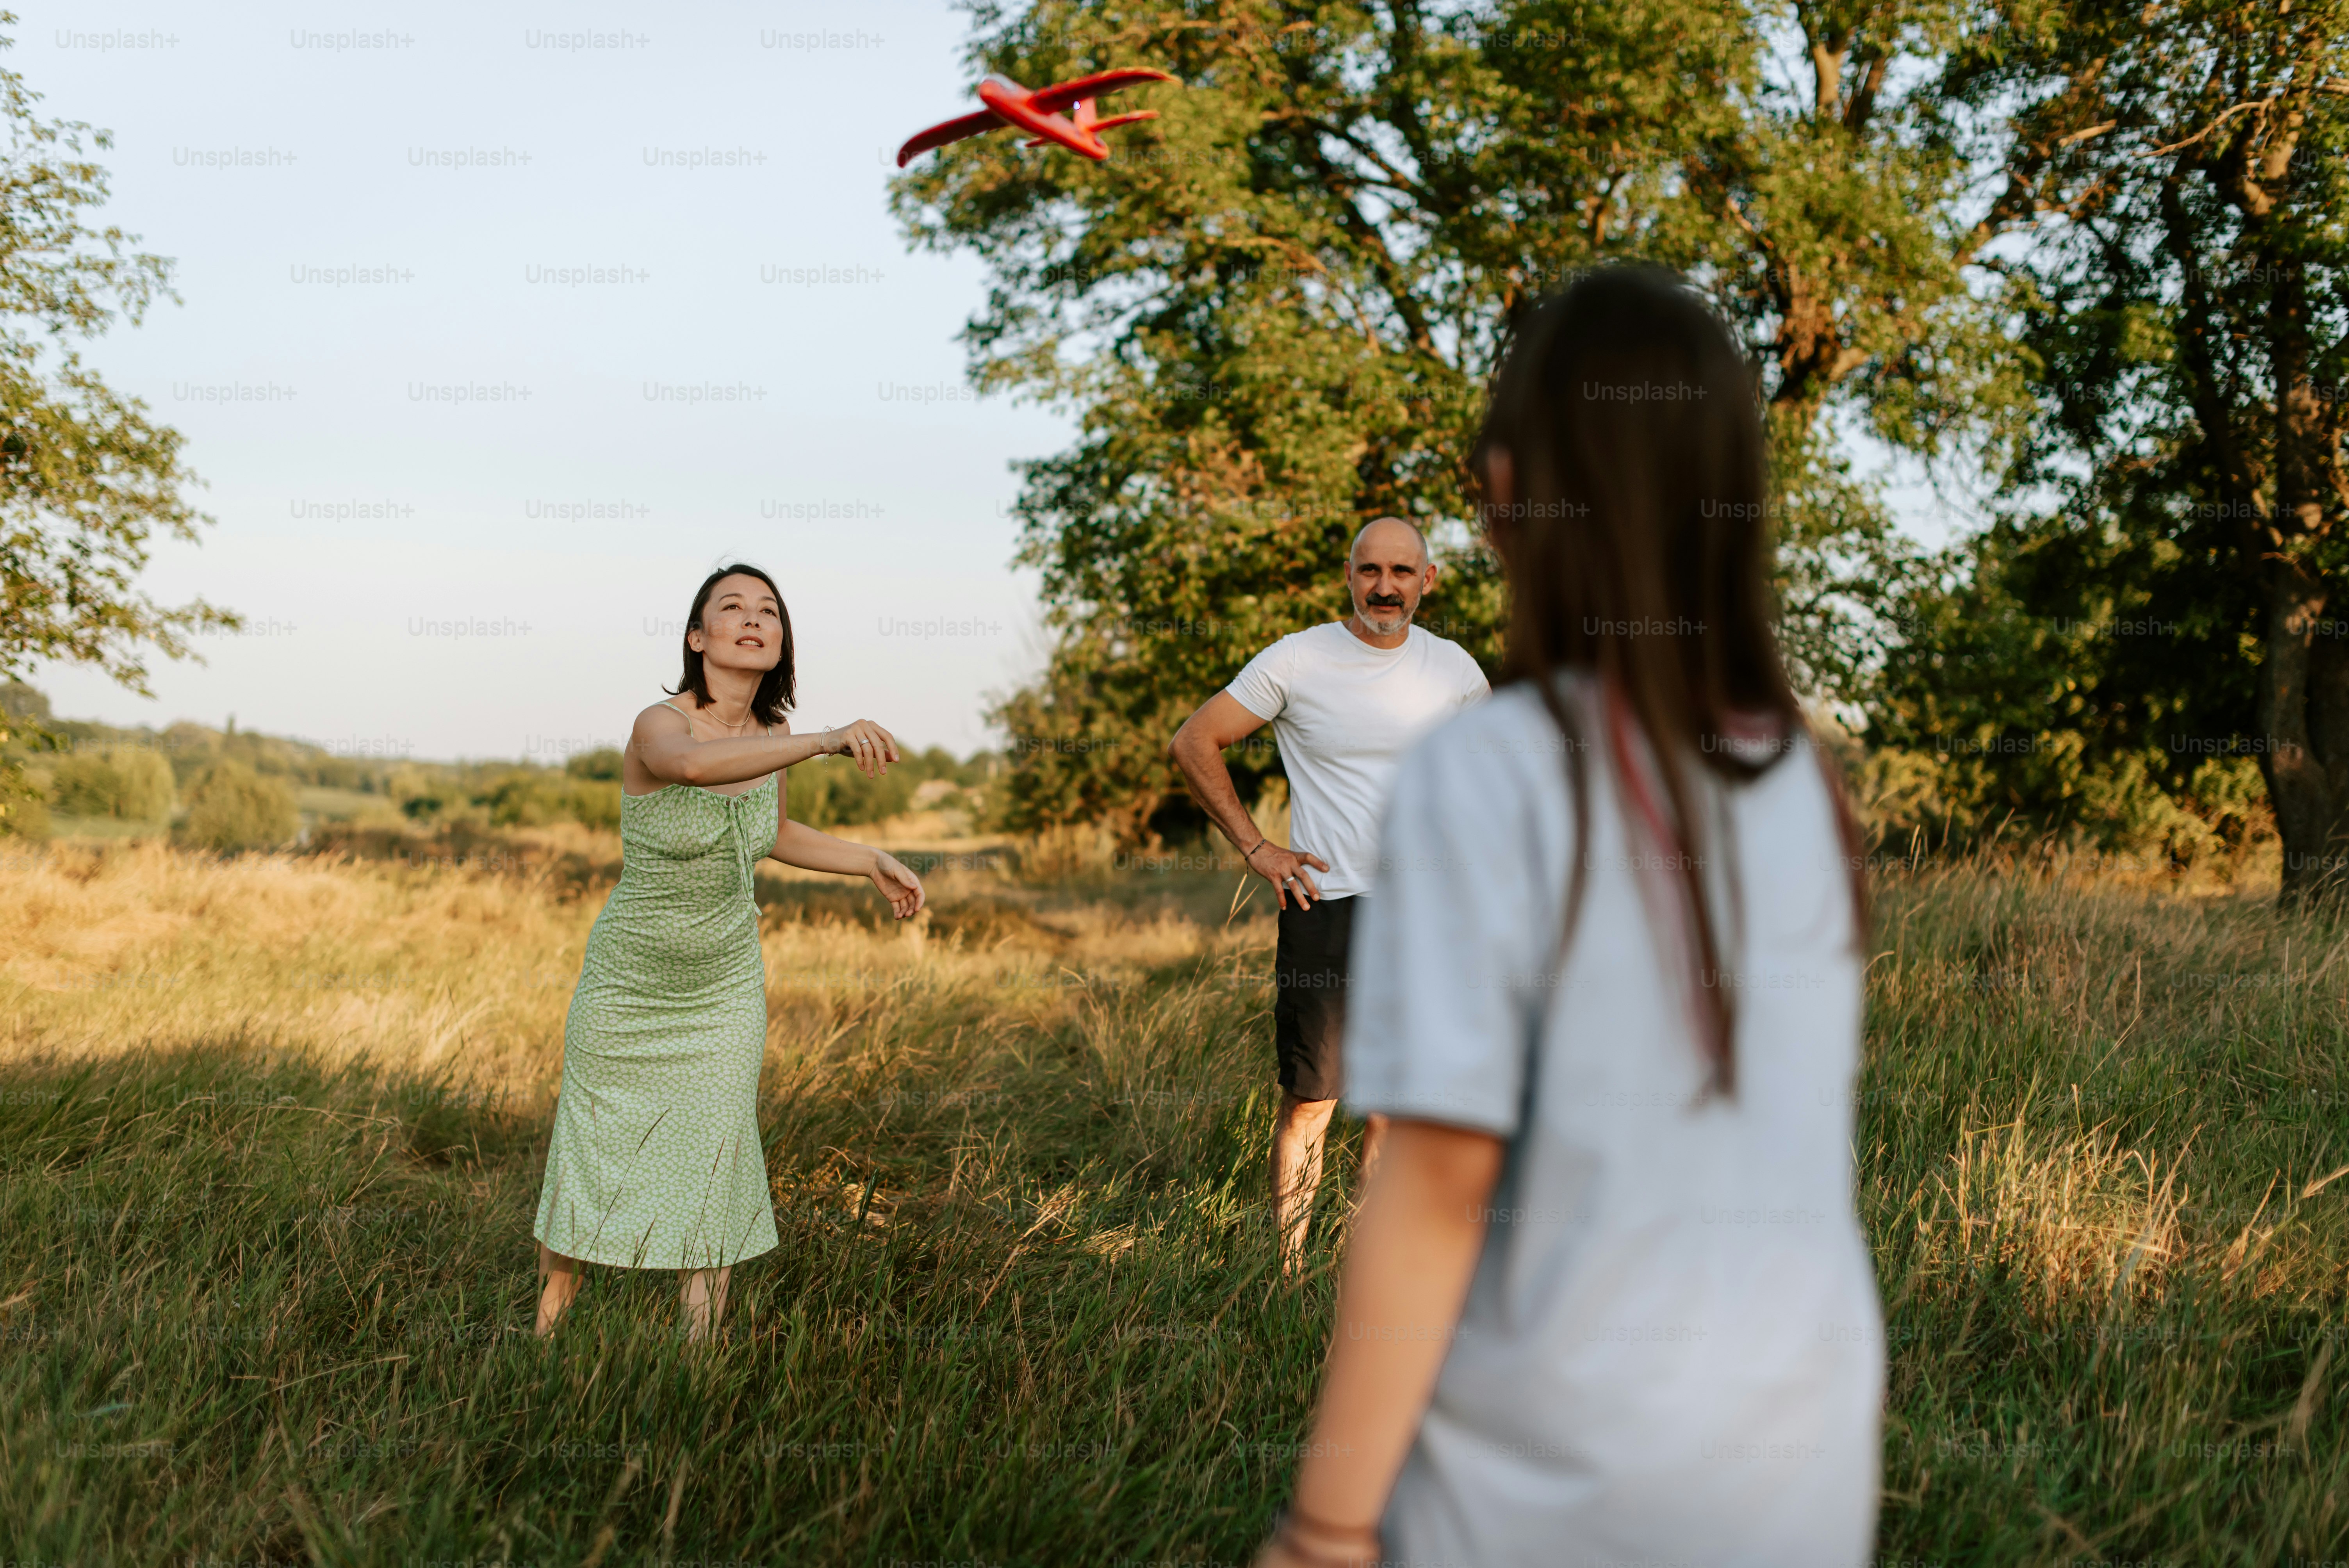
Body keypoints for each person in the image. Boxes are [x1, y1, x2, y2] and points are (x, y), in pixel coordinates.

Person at [1254, 269, 1882, 1568]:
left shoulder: (1488, 768)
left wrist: (1324, 1528)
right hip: (1807, 1437)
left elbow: (1433, 1189)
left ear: (1501, 490)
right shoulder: (1802, 780)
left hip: (1555, 1456)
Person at [531, 563, 926, 1343]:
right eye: (731, 607)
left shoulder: (772, 736)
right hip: (628, 986)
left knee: (714, 1154)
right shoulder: (659, 723)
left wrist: (868, 857)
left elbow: (769, 832)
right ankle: (546, 1337)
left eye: (768, 611)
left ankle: (698, 1360)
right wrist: (825, 740)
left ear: (780, 641)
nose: (752, 619)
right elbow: (690, 769)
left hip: (722, 986)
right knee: (590, 1150)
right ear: (696, 636)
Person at [1169, 517, 1488, 1277]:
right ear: (1348, 576)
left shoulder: (1456, 673)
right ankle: (1286, 1274)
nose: (1385, 587)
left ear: (1427, 580)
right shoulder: (1299, 658)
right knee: (1310, 1100)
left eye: (1402, 572)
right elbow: (1192, 740)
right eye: (1370, 570)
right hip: (1328, 905)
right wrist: (1256, 847)